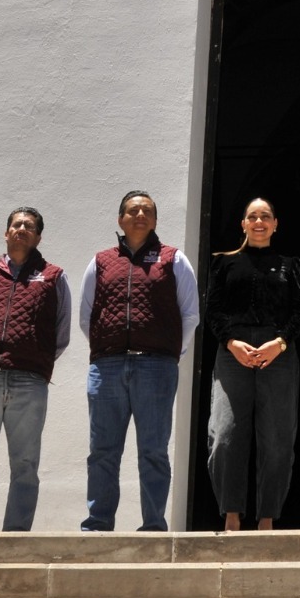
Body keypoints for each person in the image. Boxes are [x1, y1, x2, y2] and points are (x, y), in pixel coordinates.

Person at [79, 190, 200, 532]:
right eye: (132, 210)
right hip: (107, 368)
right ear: (120, 219)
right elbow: (87, 314)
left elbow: (189, 315)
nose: (140, 215)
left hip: (156, 368)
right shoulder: (100, 261)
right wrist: (108, 349)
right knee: (102, 451)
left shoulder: (174, 259)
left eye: (147, 210)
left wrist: (172, 355)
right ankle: (98, 523)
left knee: (153, 452)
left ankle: (153, 526)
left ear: (156, 220)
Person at [0, 206, 71, 532]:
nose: (22, 229)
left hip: (29, 383)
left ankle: (16, 537)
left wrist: (35, 363)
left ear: (38, 236)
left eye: (29, 226)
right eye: (16, 224)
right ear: (7, 233)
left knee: (24, 465)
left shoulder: (53, 276)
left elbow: (59, 336)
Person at [205, 197, 300, 531]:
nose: (259, 222)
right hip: (233, 352)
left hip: (277, 353)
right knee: (224, 435)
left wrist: (279, 344)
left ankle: (266, 518)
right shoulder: (223, 263)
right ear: (243, 224)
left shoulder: (291, 264)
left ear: (276, 224)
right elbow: (213, 310)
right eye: (253, 217)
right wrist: (231, 343)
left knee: (277, 439)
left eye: (266, 216)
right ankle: (232, 515)